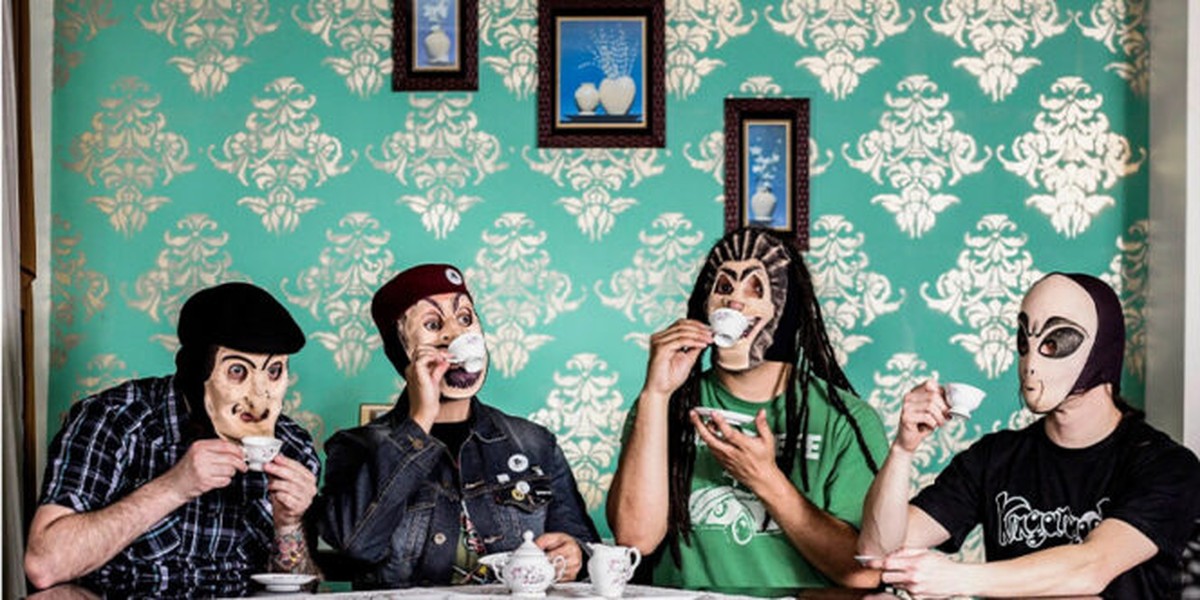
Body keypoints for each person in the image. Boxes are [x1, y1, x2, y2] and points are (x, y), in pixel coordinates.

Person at [858, 272, 1200, 598]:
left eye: (1054, 342)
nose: (1030, 362)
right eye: (1025, 341)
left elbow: (1092, 567)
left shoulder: (1167, 465)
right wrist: (903, 449)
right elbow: (877, 551)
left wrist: (957, 577)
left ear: (1102, 349)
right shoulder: (995, 457)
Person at [607, 227, 888, 596]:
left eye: (755, 288)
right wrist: (656, 394)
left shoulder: (847, 421)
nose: (734, 302)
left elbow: (862, 575)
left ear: (786, 308)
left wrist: (766, 480)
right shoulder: (664, 405)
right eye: (724, 287)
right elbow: (635, 539)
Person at [24, 282, 322, 597]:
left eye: (274, 372)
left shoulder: (293, 447)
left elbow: (303, 587)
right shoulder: (114, 420)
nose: (259, 400)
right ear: (196, 368)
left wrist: (288, 523)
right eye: (237, 371)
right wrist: (174, 487)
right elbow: (45, 566)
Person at [318, 263, 599, 589]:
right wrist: (419, 422)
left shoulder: (535, 443)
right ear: (401, 351)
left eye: (465, 319)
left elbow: (584, 546)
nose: (456, 334)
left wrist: (576, 554)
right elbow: (355, 544)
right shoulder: (355, 447)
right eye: (432, 324)